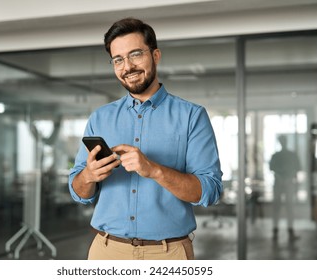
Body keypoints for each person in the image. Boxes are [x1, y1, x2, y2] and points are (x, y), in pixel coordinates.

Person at [68, 17, 223, 260]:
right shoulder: (100, 118)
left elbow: (210, 191)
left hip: (168, 253)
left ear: (156, 55)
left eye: (135, 54)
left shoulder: (192, 116)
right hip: (106, 251)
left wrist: (153, 170)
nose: (127, 66)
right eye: (118, 59)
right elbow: (78, 191)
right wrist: (89, 175)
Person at [269, 135, 301, 241]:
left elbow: (296, 169)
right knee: (279, 208)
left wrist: (286, 179)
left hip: (285, 183)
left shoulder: (289, 155)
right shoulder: (278, 155)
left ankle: (288, 230)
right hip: (282, 183)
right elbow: (272, 168)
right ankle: (276, 230)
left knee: (288, 208)